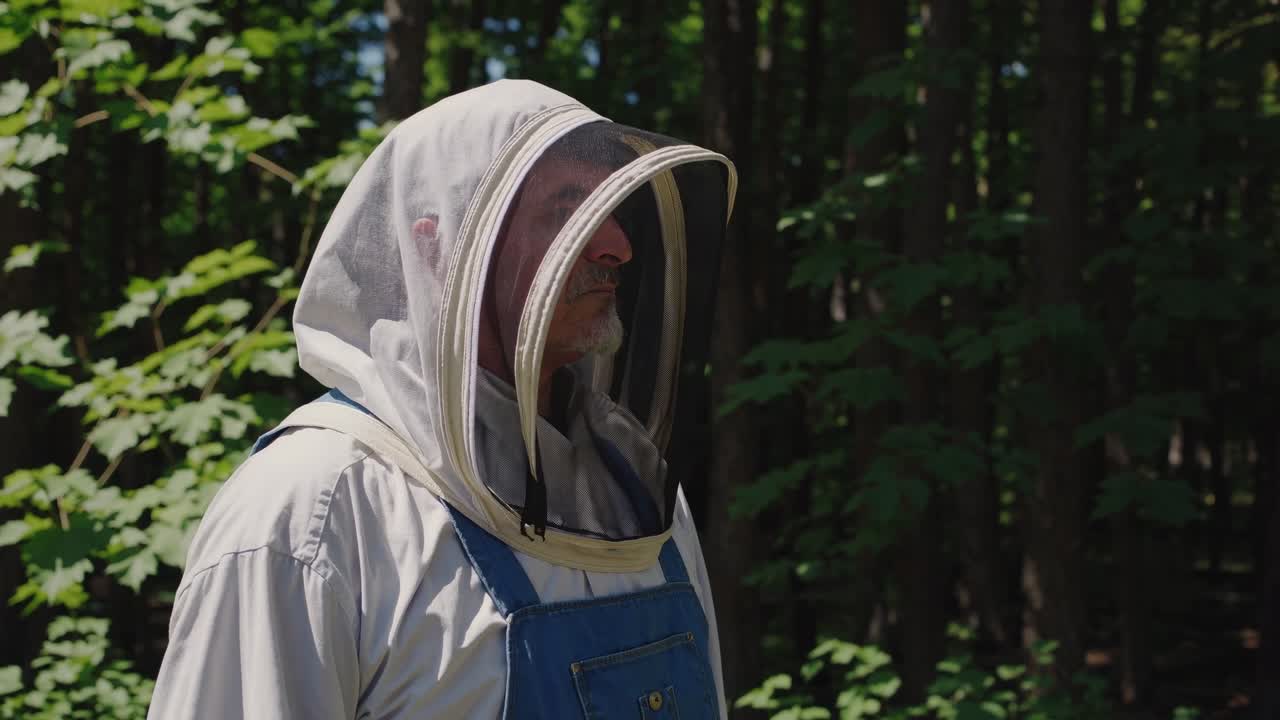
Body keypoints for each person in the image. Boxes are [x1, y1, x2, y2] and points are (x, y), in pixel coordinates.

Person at [148, 79, 737, 719]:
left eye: (612, 211)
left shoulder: (639, 491)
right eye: (569, 208)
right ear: (440, 247)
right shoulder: (311, 510)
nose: (616, 246)